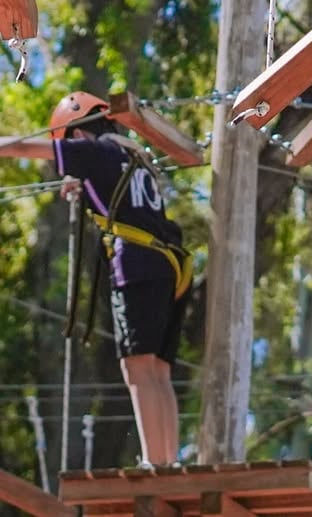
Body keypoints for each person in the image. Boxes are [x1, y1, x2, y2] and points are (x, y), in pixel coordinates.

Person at [0, 91, 191, 466]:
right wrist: (83, 187)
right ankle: (168, 461)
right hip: (171, 268)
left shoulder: (93, 152)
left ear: (75, 133)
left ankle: (156, 464)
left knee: (136, 364)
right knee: (158, 369)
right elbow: (122, 202)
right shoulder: (135, 159)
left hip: (136, 266)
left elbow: (22, 147)